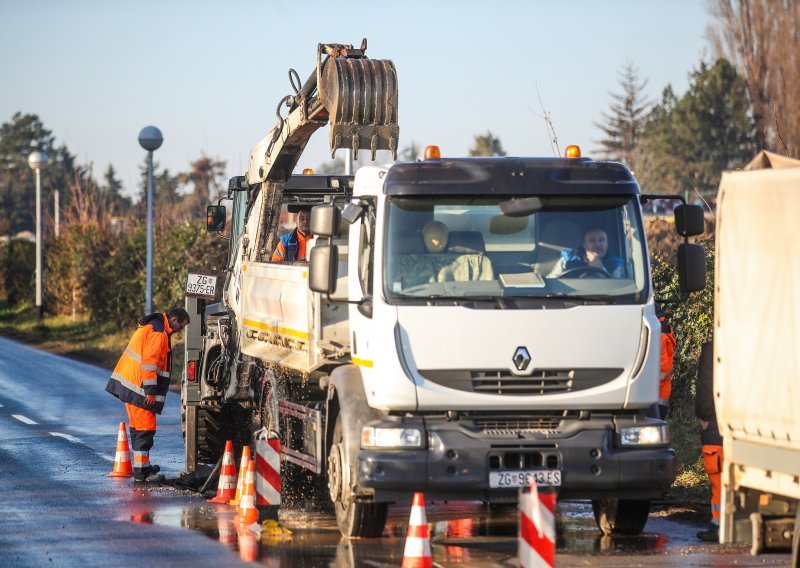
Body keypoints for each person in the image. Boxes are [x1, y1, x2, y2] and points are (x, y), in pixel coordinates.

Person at [105, 308, 191, 482]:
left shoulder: (154, 326)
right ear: (174, 319)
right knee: (145, 429)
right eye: (181, 325)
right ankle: (142, 473)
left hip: (132, 385)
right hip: (140, 388)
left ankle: (142, 467)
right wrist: (150, 391)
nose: (180, 330)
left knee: (138, 429)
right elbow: (149, 363)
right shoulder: (158, 333)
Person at [695, 338, 722, 542]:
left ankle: (718, 524)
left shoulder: (715, 347)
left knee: (719, 477)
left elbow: (706, 384)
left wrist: (704, 415)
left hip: (716, 422)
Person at [548, 227, 626, 278]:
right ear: (585, 245)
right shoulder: (568, 260)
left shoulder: (616, 264)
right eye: (592, 240)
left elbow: (620, 289)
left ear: (607, 244)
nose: (598, 244)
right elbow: (552, 281)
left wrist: (601, 269)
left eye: (601, 240)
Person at [657, 305, 677, 419]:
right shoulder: (662, 330)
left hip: (656, 395)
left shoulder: (659, 333)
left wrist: (645, 387)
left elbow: (663, 368)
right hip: (660, 395)